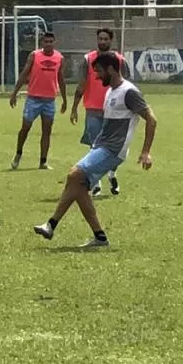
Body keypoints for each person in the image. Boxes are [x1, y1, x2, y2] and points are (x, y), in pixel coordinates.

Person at [33, 52, 156, 248]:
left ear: (111, 69)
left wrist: (146, 152)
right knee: (78, 186)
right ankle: (99, 237)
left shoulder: (129, 92)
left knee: (74, 175)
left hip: (113, 150)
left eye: (99, 72)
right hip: (101, 146)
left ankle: (51, 224)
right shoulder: (110, 92)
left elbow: (151, 119)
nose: (96, 76)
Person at [70, 27, 130, 196]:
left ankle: (112, 174)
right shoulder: (88, 59)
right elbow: (81, 83)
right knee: (95, 146)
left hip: (114, 110)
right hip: (93, 109)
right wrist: (74, 107)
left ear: (111, 41)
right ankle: (95, 182)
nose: (102, 41)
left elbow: (126, 85)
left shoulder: (119, 60)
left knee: (114, 148)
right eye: (100, 39)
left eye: (106, 39)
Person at [9, 31, 67, 170]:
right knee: (25, 128)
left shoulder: (59, 57)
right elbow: (24, 74)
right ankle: (18, 154)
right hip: (33, 99)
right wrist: (14, 93)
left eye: (50, 42)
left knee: (47, 130)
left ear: (54, 42)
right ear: (42, 43)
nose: (48, 44)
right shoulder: (34, 55)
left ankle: (43, 161)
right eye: (45, 42)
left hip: (49, 100)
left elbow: (61, 78)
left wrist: (64, 99)